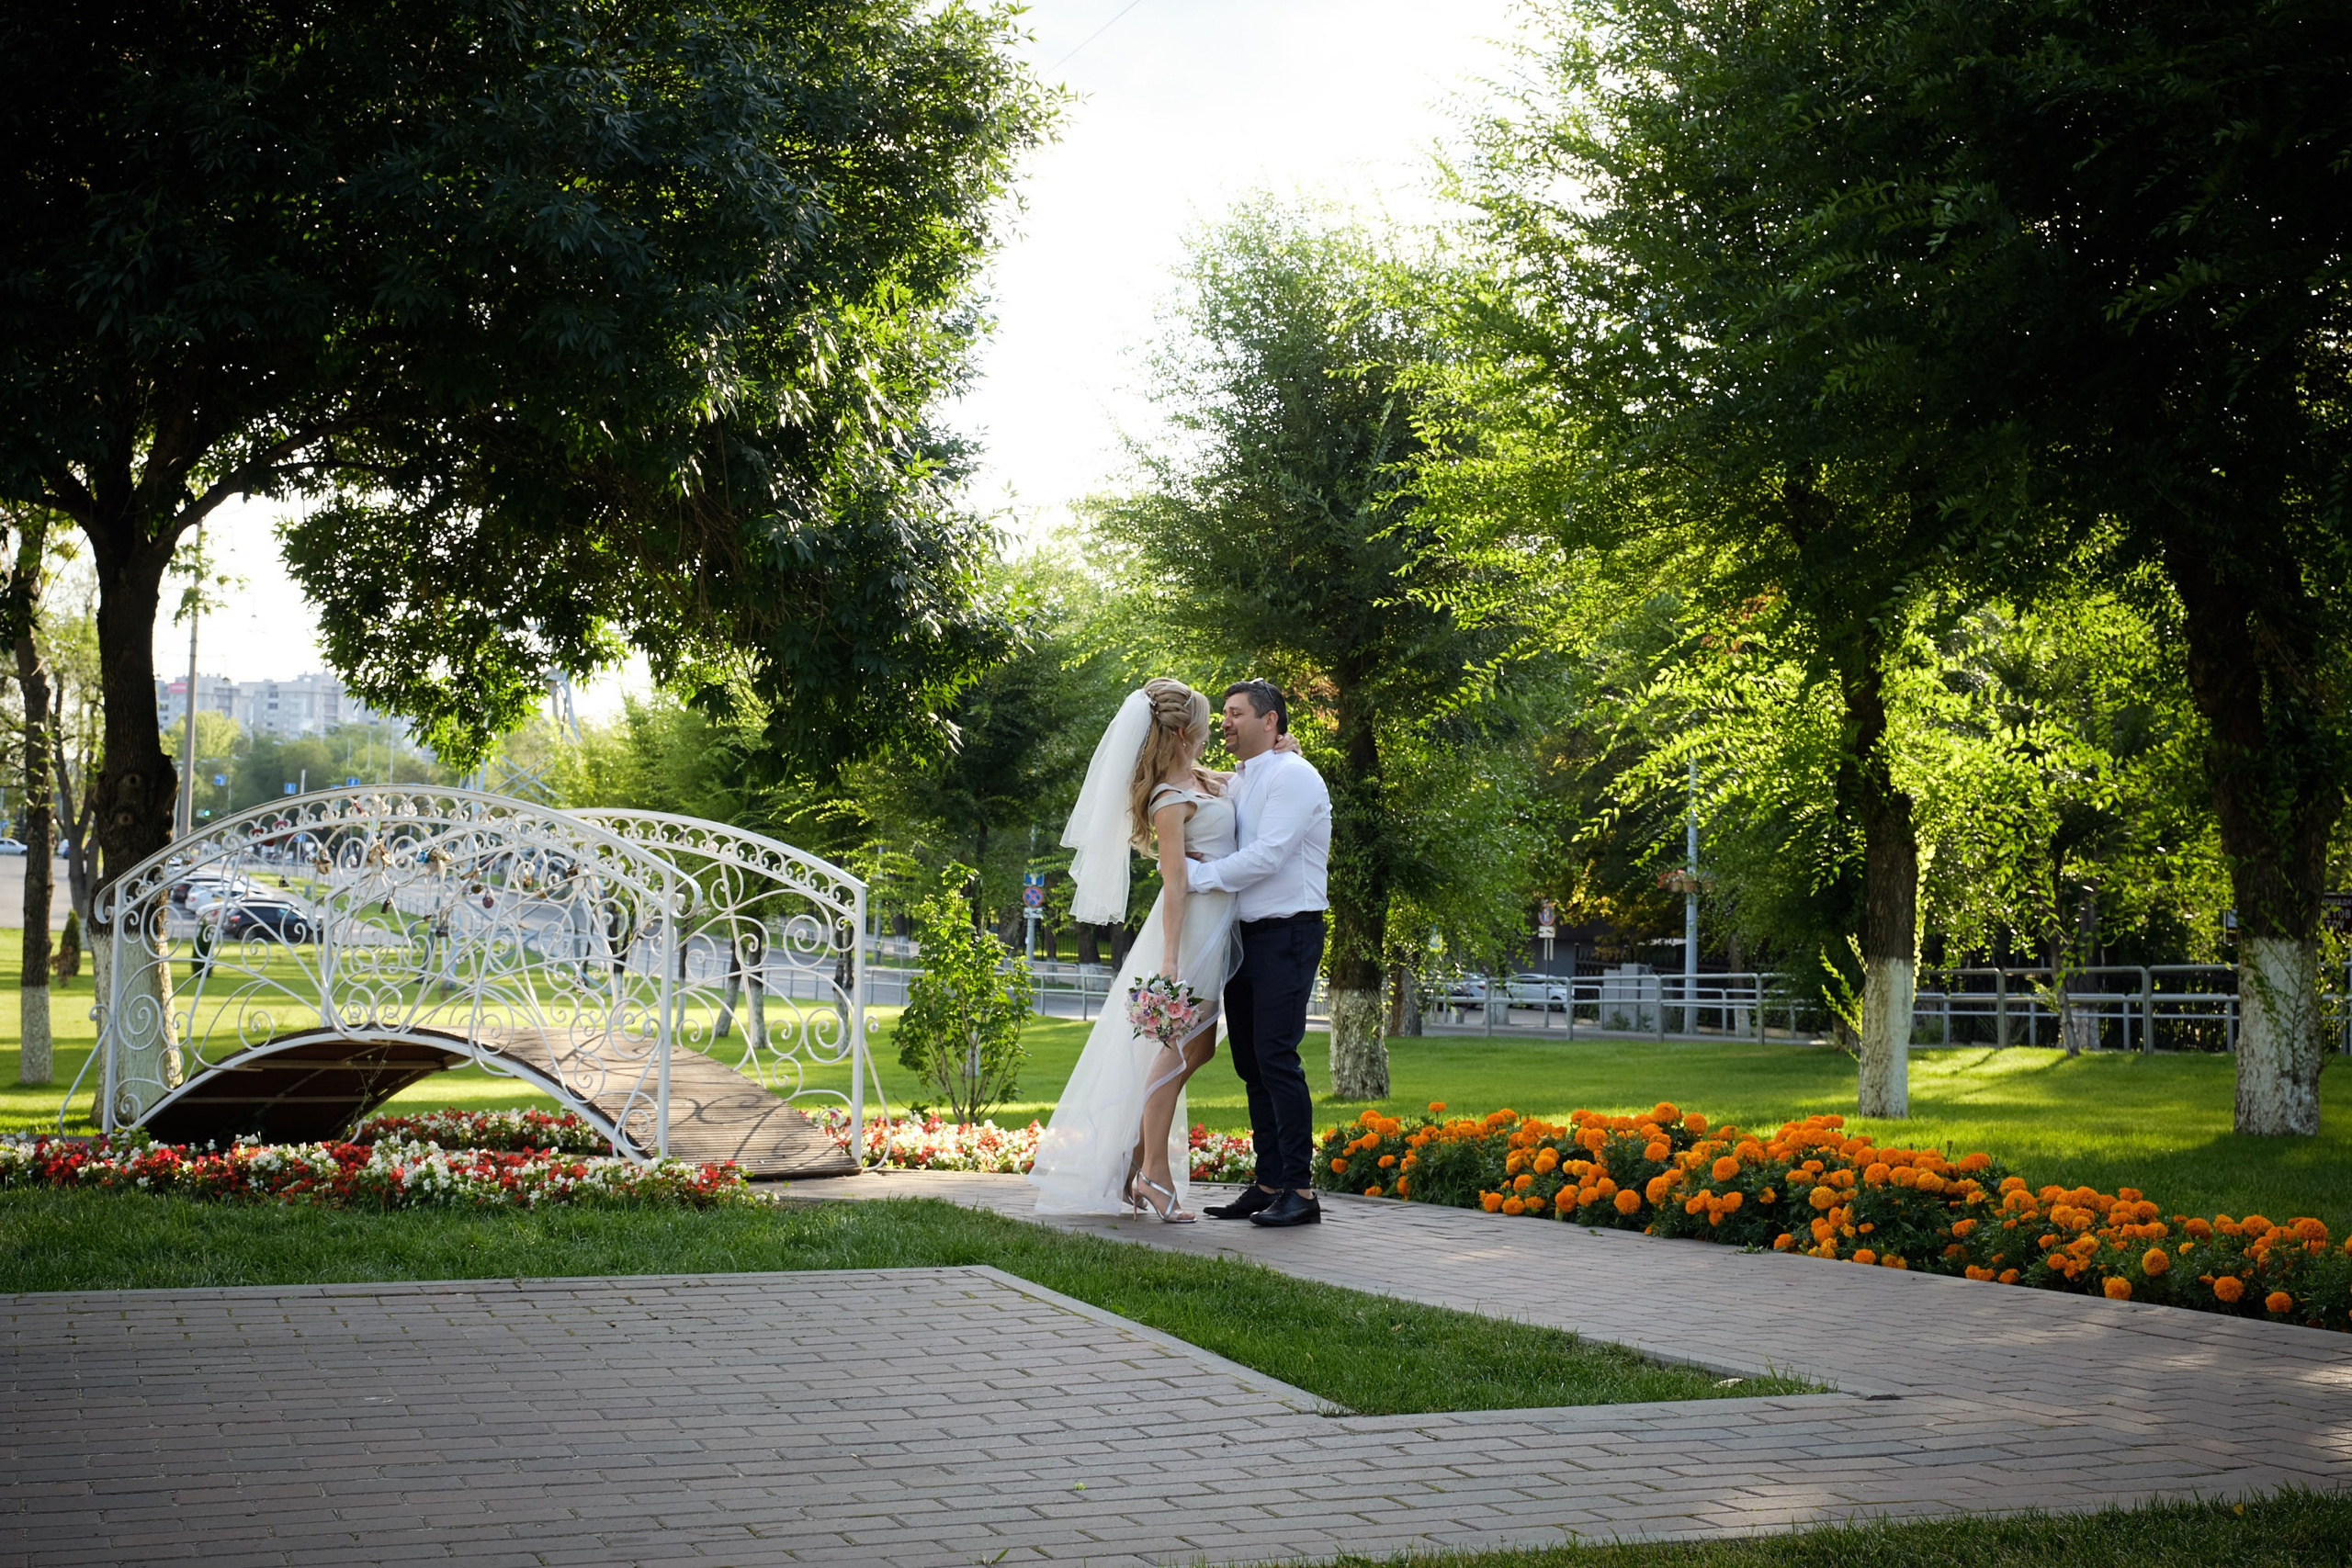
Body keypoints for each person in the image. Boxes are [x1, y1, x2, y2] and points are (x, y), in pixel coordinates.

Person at [1028, 680, 1243, 1221]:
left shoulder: (1202, 780)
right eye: (1201, 723)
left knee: (1199, 1049)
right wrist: (1170, 961)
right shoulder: (1170, 800)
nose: (1209, 730)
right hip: (1191, 930)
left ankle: (1137, 1159)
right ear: (1178, 731)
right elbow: (1175, 885)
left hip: (1219, 927)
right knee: (1175, 1050)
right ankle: (1152, 1175)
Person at [1186, 680, 1330, 1228]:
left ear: (1270, 721)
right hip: (1245, 936)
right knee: (1250, 1062)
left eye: (1235, 713)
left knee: (1276, 1056)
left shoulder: (1294, 776)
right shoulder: (1246, 777)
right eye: (1222, 714)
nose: (1225, 722)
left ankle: (1301, 1189)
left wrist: (1196, 876)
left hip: (1288, 932)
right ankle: (1269, 1182)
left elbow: (1268, 856)